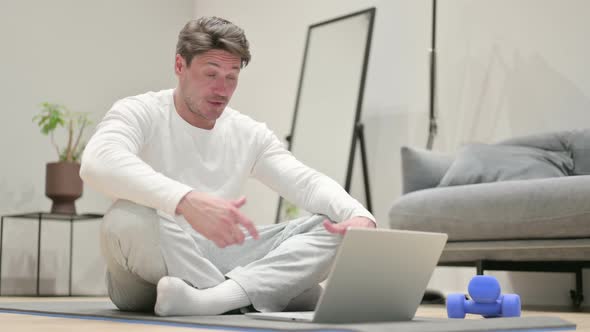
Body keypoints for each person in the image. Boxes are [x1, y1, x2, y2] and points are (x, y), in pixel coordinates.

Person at [80, 16, 375, 317]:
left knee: (331, 227)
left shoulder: (248, 133)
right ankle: (258, 292)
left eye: (231, 76)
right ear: (180, 66)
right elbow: (97, 160)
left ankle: (216, 299)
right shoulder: (140, 111)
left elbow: (306, 183)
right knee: (123, 218)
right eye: (211, 74)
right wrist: (185, 201)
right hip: (149, 267)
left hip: (220, 254)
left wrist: (359, 215)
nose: (222, 89)